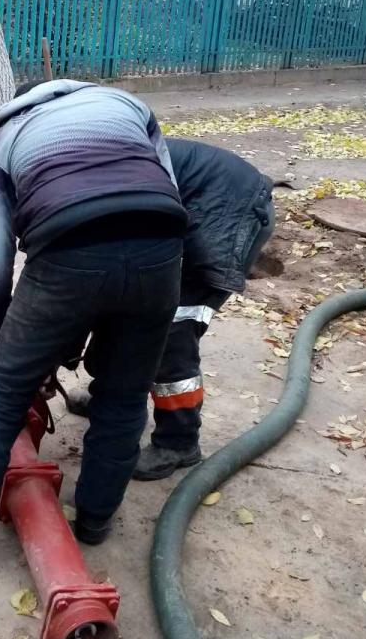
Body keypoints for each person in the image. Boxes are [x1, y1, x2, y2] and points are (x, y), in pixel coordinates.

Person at [0, 78, 189, 567]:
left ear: (21, 104)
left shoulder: (5, 139)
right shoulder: (127, 105)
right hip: (161, 249)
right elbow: (168, 188)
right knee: (126, 395)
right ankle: (94, 520)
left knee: (0, 397)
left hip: (69, 250)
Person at [64, 138, 275, 479]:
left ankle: (178, 442)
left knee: (172, 327)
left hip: (226, 211)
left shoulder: (87, 182)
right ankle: (110, 400)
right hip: (183, 208)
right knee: (120, 306)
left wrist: (58, 349)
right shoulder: (72, 184)